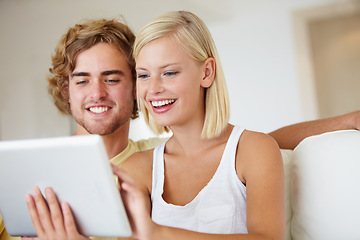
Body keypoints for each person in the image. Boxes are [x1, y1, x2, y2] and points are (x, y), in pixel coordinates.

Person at [1, 16, 360, 240]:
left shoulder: (146, 158)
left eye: (113, 78)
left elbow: (239, 148)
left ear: (131, 89)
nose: (97, 92)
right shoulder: (25, 170)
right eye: (82, 80)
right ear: (66, 89)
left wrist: (346, 121)